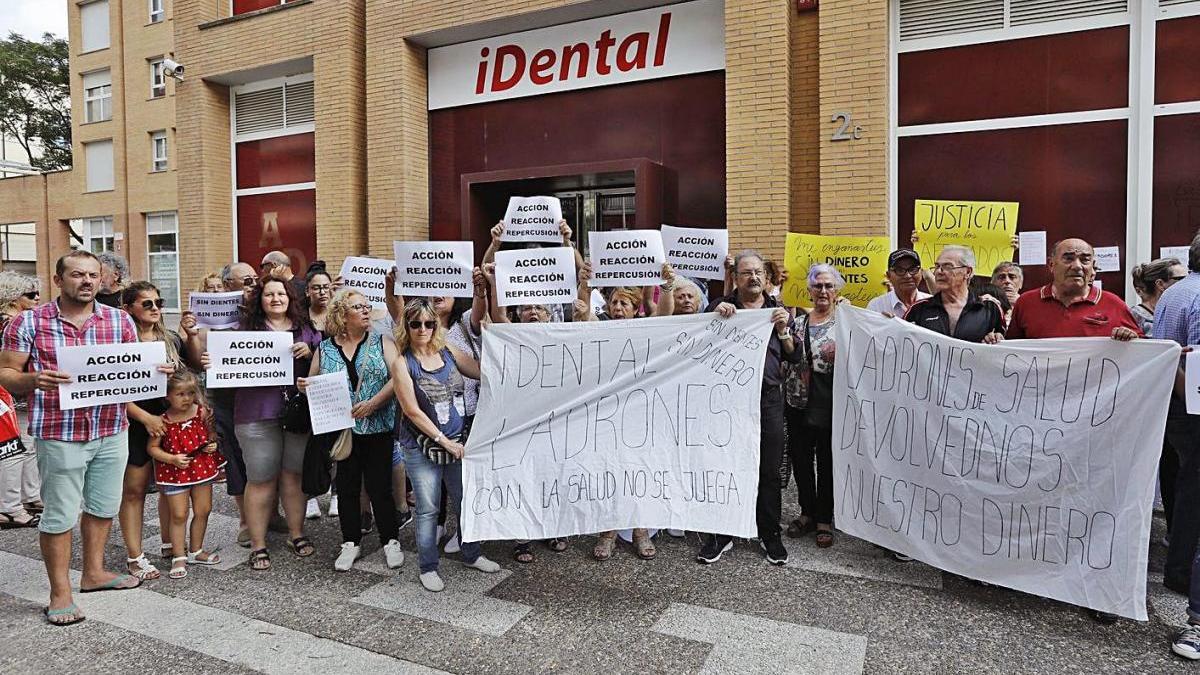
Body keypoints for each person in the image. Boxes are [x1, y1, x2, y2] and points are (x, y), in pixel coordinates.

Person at [0, 251, 173, 625]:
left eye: (93, 275)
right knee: (60, 514)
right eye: (77, 275)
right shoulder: (29, 322)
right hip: (60, 433)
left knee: (102, 506)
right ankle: (60, 591)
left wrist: (156, 371)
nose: (87, 281)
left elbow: (129, 374)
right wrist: (32, 380)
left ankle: (93, 573)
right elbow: (6, 372)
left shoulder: (118, 320)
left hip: (111, 429)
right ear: (59, 279)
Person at [1005, 238, 1140, 625]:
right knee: (1037, 502)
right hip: (1041, 429)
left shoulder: (1113, 305)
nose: (1078, 265)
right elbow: (1013, 356)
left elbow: (1145, 362)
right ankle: (1030, 573)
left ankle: (1094, 589)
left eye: (1086, 259)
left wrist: (1132, 343)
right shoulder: (1029, 304)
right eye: (1069, 258)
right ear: (1052, 264)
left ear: (1094, 266)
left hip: (1094, 433)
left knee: (1090, 508)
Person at [203, 277, 321, 571]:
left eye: (281, 293)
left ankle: (297, 533)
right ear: (260, 299)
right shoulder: (242, 330)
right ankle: (258, 544)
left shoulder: (305, 330)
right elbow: (219, 359)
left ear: (290, 297)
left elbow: (328, 357)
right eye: (269, 294)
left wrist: (309, 354)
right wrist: (210, 360)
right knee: (261, 479)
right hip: (256, 415)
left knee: (293, 476)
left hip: (296, 415)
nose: (276, 298)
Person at [391, 298, 500, 592]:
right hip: (421, 446)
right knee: (428, 508)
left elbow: (480, 371)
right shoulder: (402, 363)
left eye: (429, 323)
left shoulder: (448, 351)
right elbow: (411, 411)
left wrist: (502, 344)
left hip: (458, 442)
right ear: (407, 327)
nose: (423, 329)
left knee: (466, 501)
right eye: (415, 324)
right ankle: (428, 566)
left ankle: (471, 553)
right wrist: (443, 442)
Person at [699, 250, 795, 565]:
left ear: (766, 278)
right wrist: (715, 314)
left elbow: (793, 356)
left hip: (768, 400)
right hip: (728, 401)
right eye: (745, 273)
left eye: (757, 273)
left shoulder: (778, 311)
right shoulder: (720, 308)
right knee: (727, 464)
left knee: (768, 469)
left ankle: (769, 534)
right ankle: (722, 533)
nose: (752, 278)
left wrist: (784, 332)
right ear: (736, 278)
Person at [575, 263, 677, 560]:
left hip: (640, 413)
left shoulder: (647, 327)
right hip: (607, 414)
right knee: (610, 470)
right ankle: (607, 533)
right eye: (614, 302)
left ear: (635, 309)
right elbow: (584, 314)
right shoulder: (602, 325)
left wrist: (667, 286)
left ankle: (640, 531)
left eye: (625, 303)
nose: (618, 307)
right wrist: (584, 283)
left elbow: (665, 314)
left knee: (639, 470)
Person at [300, 289, 403, 572]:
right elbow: (314, 381)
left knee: (379, 486)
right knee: (346, 486)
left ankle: (390, 540)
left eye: (368, 306)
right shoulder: (325, 348)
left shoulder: (383, 342)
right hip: (343, 430)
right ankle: (350, 542)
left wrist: (373, 404)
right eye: (359, 307)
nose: (367, 310)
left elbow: (398, 379)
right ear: (341, 314)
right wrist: (305, 387)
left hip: (378, 426)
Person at [118, 281, 192, 582]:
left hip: (167, 419)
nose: (155, 308)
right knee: (134, 490)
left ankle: (168, 542)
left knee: (169, 485)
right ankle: (135, 556)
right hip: (135, 421)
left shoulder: (170, 339)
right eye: (146, 303)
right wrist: (143, 417)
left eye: (158, 302)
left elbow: (188, 379)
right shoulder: (119, 340)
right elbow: (110, 390)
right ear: (128, 308)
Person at [185, 261, 257, 547]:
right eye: (246, 281)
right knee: (237, 458)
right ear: (228, 286)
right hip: (225, 398)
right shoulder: (210, 315)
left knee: (263, 459)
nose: (252, 285)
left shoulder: (260, 309)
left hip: (258, 397)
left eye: (254, 280)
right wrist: (192, 337)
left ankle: (269, 513)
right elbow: (195, 356)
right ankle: (245, 520)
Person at [782, 264, 841, 549]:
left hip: (831, 404)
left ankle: (824, 519)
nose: (823, 291)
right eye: (818, 286)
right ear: (809, 290)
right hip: (798, 401)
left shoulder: (845, 321)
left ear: (837, 290)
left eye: (829, 286)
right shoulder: (799, 322)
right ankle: (806, 512)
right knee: (802, 461)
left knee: (828, 462)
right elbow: (788, 352)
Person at [146, 370, 224, 579]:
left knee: (203, 509)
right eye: (180, 394)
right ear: (167, 396)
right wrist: (171, 459)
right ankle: (178, 555)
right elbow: (152, 448)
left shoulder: (202, 412)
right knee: (179, 514)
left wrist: (212, 444)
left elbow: (211, 434)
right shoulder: (162, 421)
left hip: (201, 469)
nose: (186, 399)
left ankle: (196, 549)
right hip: (174, 473)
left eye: (190, 393)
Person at [0, 270, 42, 525]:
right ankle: (9, 508)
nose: (38, 297)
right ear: (13, 297)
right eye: (30, 294)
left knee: (28, 446)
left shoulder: (20, 320)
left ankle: (29, 496)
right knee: (12, 450)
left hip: (20, 394)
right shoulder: (8, 323)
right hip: (7, 395)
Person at [904, 245, 1005, 344]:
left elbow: (1008, 348)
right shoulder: (918, 309)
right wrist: (889, 322)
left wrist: (996, 339)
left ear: (968, 272)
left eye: (947, 267)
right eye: (937, 266)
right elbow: (898, 342)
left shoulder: (990, 309)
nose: (939, 272)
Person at [1131, 258, 1187, 336]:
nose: (1188, 283)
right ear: (1160, 284)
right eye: (1181, 279)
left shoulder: (1178, 310)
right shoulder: (1135, 316)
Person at [866, 249, 930, 316]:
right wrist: (884, 324)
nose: (907, 276)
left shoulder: (932, 304)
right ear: (888, 275)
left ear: (921, 272)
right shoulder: (877, 306)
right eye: (900, 270)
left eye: (913, 269)